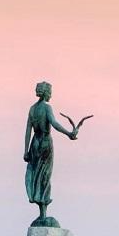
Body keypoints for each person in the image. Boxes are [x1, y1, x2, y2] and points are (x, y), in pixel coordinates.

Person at [23, 81, 77, 226]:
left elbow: (28, 131)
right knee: (45, 176)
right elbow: (54, 123)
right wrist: (69, 133)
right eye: (50, 91)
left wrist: (26, 150)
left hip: (35, 144)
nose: (51, 94)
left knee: (37, 176)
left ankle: (42, 213)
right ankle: (43, 214)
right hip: (45, 143)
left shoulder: (32, 109)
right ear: (46, 92)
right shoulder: (46, 108)